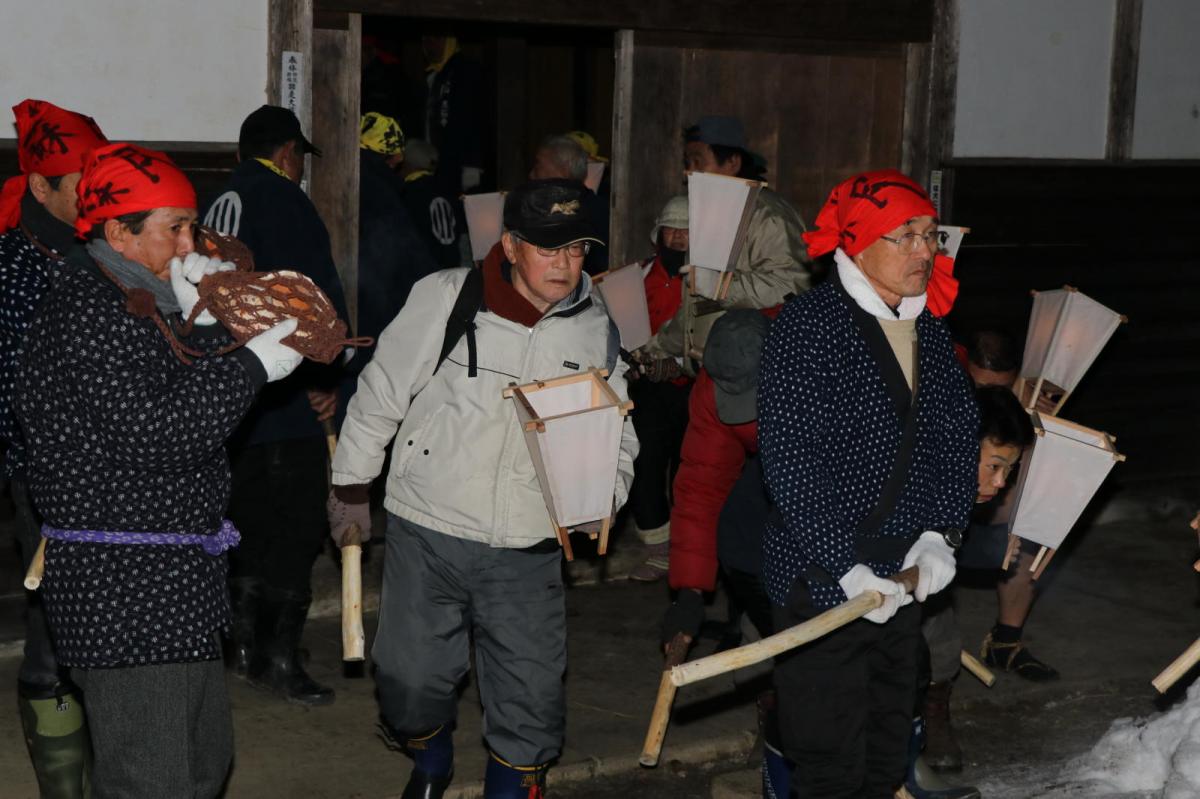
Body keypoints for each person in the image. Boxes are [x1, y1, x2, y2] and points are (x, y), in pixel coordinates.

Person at [327, 179, 638, 799]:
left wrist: (602, 498)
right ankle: (431, 754)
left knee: (531, 702)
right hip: (429, 527)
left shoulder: (597, 326)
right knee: (409, 683)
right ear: (512, 245)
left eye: (576, 248)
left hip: (529, 542)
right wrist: (351, 486)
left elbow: (618, 430)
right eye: (548, 248)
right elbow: (382, 390)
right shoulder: (450, 297)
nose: (565, 263)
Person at [15, 142, 303, 798]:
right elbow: (159, 434)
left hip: (175, 578)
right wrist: (251, 365)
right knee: (152, 780)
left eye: (191, 225)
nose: (189, 244)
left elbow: (178, 390)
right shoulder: (88, 307)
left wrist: (204, 320)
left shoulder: (137, 295)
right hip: (124, 587)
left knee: (203, 763)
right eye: (174, 227)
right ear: (118, 233)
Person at [757, 169, 979, 797]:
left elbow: (957, 435)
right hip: (821, 578)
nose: (924, 251)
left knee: (888, 748)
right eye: (905, 236)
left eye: (930, 235)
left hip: (902, 575)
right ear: (856, 244)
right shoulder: (808, 328)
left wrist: (941, 533)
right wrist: (844, 567)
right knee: (830, 761)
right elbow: (790, 461)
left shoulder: (928, 328)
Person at [202, 105, 351, 706]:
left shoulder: (212, 205)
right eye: (299, 159)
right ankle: (279, 658)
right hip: (283, 399)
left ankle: (240, 647)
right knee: (293, 528)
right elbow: (311, 298)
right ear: (289, 153)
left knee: (244, 522)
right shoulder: (285, 200)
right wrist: (328, 371)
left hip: (226, 398)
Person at [0, 98, 107, 799]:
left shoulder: (107, 249)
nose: (97, 193)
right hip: (47, 474)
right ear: (40, 186)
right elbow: (16, 396)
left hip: (122, 471)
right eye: (81, 182)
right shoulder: (13, 268)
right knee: (55, 633)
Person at [658, 308, 794, 797]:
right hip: (771, 477)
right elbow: (702, 484)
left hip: (843, 477)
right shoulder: (715, 384)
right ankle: (778, 702)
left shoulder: (819, 360)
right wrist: (690, 591)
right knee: (741, 538)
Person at [644, 115, 809, 373]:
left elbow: (792, 285)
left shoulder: (768, 217)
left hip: (760, 371)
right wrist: (657, 348)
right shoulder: (709, 215)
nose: (688, 172)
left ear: (733, 162)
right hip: (714, 370)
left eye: (698, 161)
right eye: (687, 163)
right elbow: (694, 305)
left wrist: (722, 287)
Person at [627, 196, 691, 582]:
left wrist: (682, 362)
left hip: (694, 388)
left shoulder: (712, 279)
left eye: (686, 229)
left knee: (688, 473)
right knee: (644, 466)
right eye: (672, 229)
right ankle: (658, 551)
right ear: (659, 234)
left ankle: (687, 552)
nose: (679, 236)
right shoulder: (636, 276)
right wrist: (634, 361)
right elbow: (620, 326)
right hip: (649, 388)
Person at [357, 112, 439, 355]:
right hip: (378, 308)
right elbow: (411, 255)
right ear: (394, 158)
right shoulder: (384, 194)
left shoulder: (337, 180)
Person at [528, 134, 609, 274]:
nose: (531, 174)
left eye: (538, 164)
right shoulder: (598, 208)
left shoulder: (582, 214)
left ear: (563, 169)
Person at [422, 33, 485, 191]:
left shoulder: (465, 70)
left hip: (458, 163)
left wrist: (472, 164)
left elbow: (474, 117)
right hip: (436, 160)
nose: (430, 46)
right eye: (426, 40)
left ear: (449, 41)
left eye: (437, 38)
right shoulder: (432, 75)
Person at [399, 138, 465, 269]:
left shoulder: (407, 193)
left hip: (422, 269)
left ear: (407, 164)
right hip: (452, 266)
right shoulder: (449, 190)